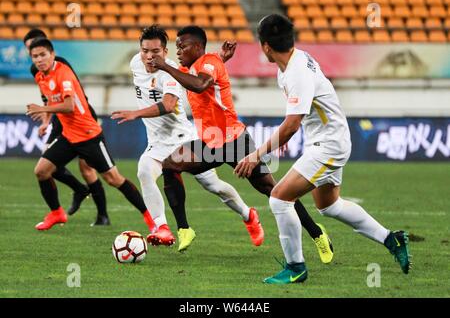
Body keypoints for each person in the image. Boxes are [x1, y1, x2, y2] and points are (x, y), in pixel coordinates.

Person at [234, 14, 411, 284]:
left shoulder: (296, 73)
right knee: (329, 206)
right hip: (331, 139)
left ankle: (296, 267)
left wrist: (256, 154)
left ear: (265, 46)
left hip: (328, 144)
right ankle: (391, 239)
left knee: (279, 199)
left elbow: (292, 125)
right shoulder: (294, 62)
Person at [149, 25, 334, 264]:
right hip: (210, 143)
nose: (178, 51)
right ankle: (185, 229)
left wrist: (164, 65)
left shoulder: (208, 64)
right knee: (171, 166)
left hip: (235, 142)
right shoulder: (199, 65)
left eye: (182, 46)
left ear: (197, 46)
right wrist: (219, 57)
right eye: (177, 47)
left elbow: (201, 84)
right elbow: (198, 73)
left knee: (274, 191)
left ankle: (317, 234)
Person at [111, 25, 262, 251]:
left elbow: (169, 104)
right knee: (144, 170)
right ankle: (162, 228)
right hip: (156, 142)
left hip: (182, 138)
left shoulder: (169, 72)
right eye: (145, 51)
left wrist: (136, 113)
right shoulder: (135, 63)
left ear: (165, 52)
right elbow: (200, 69)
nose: (149, 57)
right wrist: (220, 57)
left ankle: (248, 214)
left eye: (156, 52)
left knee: (214, 186)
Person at [26, 37, 156, 233]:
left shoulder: (64, 74)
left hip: (88, 135)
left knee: (113, 179)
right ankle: (56, 213)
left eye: (43, 54)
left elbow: (69, 106)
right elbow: (51, 101)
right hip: (69, 136)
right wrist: (46, 120)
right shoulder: (40, 76)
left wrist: (42, 108)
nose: (39, 59)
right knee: (42, 171)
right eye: (35, 56)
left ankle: (150, 218)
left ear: (52, 54)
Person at [23, 28, 109, 226]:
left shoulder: (60, 64)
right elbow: (47, 98)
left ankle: (102, 215)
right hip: (60, 119)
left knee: (87, 168)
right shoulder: (36, 70)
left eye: (38, 48)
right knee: (47, 164)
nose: (35, 55)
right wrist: (45, 121)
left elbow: (68, 99)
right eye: (31, 51)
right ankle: (79, 189)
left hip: (81, 116)